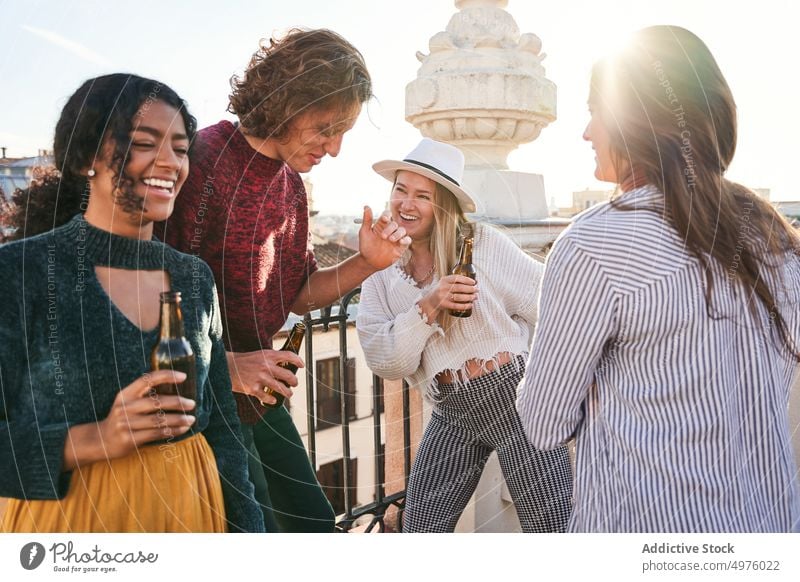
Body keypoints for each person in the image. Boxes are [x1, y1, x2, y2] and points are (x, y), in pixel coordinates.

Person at [517, 25, 800, 532]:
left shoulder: (595, 245)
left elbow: (542, 423)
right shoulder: (774, 236)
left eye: (593, 111)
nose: (586, 133)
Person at [159, 28, 410, 532]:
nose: (335, 148)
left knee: (315, 527)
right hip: (199, 407)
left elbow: (296, 295)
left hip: (261, 399)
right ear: (287, 102)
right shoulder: (199, 160)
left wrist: (368, 263)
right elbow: (147, 291)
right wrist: (228, 364)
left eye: (343, 131)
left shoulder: (292, 185)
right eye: (325, 127)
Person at [0, 74, 263, 533]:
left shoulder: (194, 278)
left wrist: (249, 535)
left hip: (192, 512)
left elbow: (223, 431)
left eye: (181, 149)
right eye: (145, 143)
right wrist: (93, 439)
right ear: (86, 158)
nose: (170, 162)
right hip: (70, 528)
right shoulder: (19, 273)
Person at [356, 138, 573, 532]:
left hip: (517, 405)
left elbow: (550, 303)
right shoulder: (380, 275)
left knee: (554, 530)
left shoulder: (483, 245)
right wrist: (429, 305)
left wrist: (547, 372)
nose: (407, 204)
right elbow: (388, 361)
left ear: (442, 206)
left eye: (422, 195)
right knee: (420, 531)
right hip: (451, 412)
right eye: (401, 190)